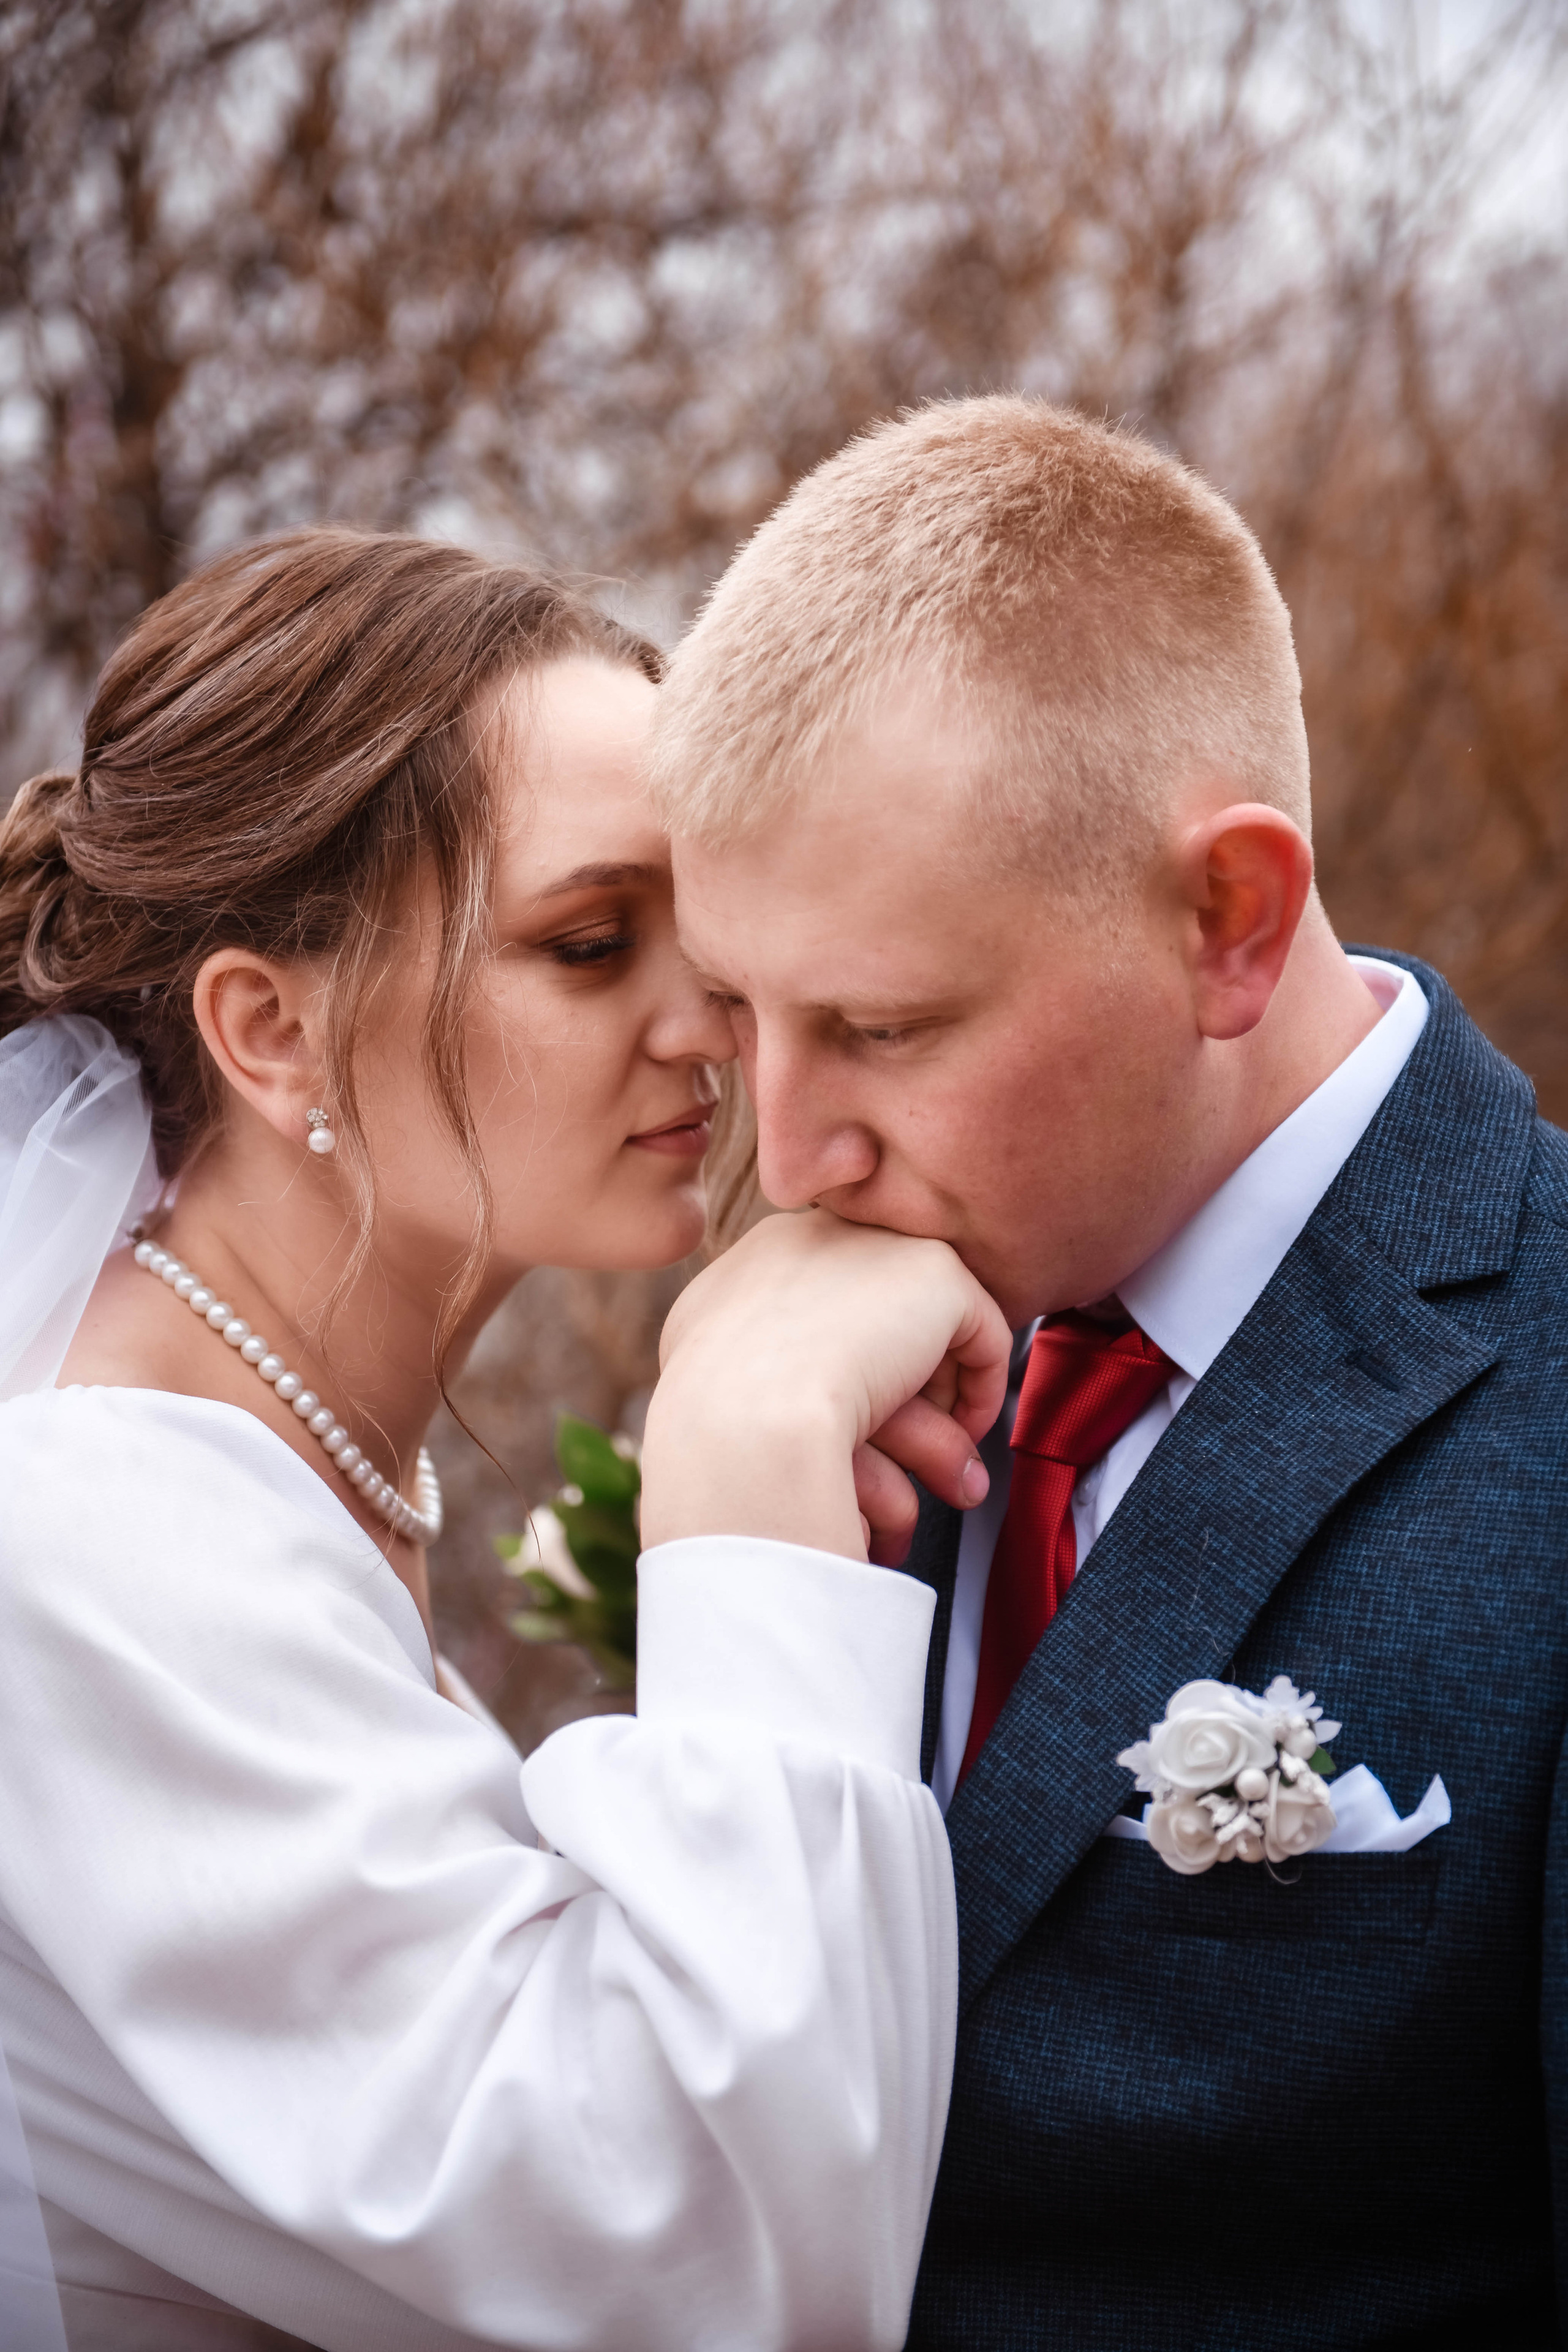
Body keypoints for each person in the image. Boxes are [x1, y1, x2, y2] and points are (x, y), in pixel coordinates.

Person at [0, 527, 1010, 2352]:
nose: (712, 1022)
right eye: (591, 940)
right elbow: (704, 2264)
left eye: (700, 933)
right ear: (269, 1028)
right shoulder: (90, 1547)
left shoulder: (276, 1470)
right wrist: (746, 1455)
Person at [649, 395, 1568, 2348]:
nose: (790, 1158)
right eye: (744, 1016)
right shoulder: (831, 1379)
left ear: (1228, 921)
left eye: (886, 1026)